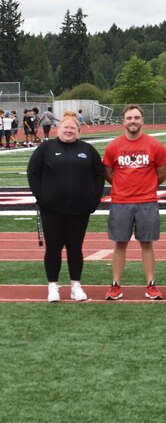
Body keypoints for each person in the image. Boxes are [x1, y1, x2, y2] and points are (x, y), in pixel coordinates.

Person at [27, 112, 105, 302]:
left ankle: (75, 286)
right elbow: (33, 172)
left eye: (73, 128)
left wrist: (93, 199)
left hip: (79, 209)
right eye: (66, 128)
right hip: (51, 209)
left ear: (78, 131)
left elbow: (99, 175)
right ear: (58, 129)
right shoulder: (46, 148)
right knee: (53, 248)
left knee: (75, 248)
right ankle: (53, 286)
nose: (69, 131)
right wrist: (41, 196)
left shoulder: (88, 150)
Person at [103, 105, 166, 300]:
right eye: (129, 118)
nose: (133, 121)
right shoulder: (113, 146)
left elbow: (162, 173)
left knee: (147, 243)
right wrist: (123, 187)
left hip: (147, 201)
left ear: (142, 120)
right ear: (123, 121)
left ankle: (151, 284)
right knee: (120, 243)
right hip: (120, 201)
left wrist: (146, 187)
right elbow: (108, 173)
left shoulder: (154, 145)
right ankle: (115, 285)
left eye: (136, 117)